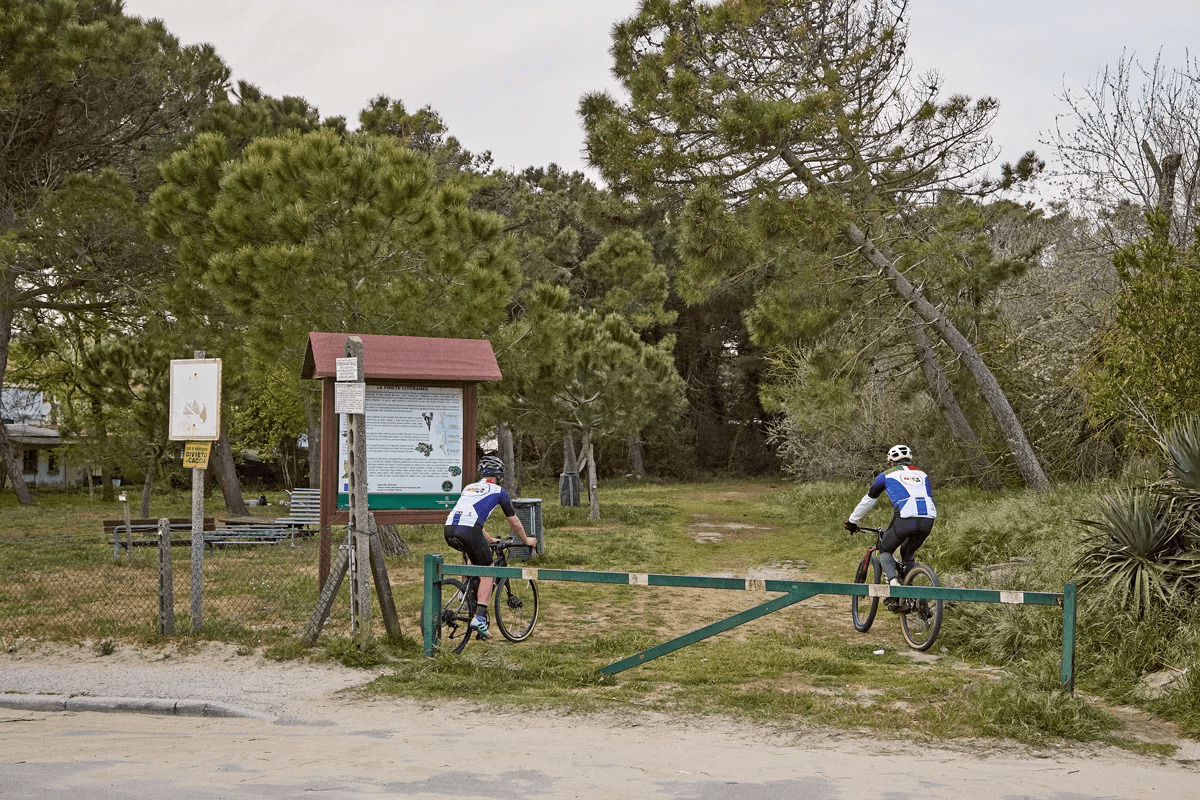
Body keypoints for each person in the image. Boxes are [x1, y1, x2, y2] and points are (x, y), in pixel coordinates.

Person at [443, 454, 537, 640]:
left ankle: (465, 594)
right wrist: (527, 540)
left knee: (472, 555)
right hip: (469, 531)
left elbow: (472, 518)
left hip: (449, 529)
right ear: (499, 475)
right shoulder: (499, 491)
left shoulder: (468, 488)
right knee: (488, 570)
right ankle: (478, 618)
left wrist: (488, 539)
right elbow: (514, 521)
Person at [843, 444, 937, 593]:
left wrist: (852, 521)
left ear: (891, 462)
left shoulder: (886, 475)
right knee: (907, 554)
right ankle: (912, 594)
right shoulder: (923, 474)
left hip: (905, 517)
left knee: (885, 550)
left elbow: (869, 500)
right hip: (928, 518)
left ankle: (894, 585)